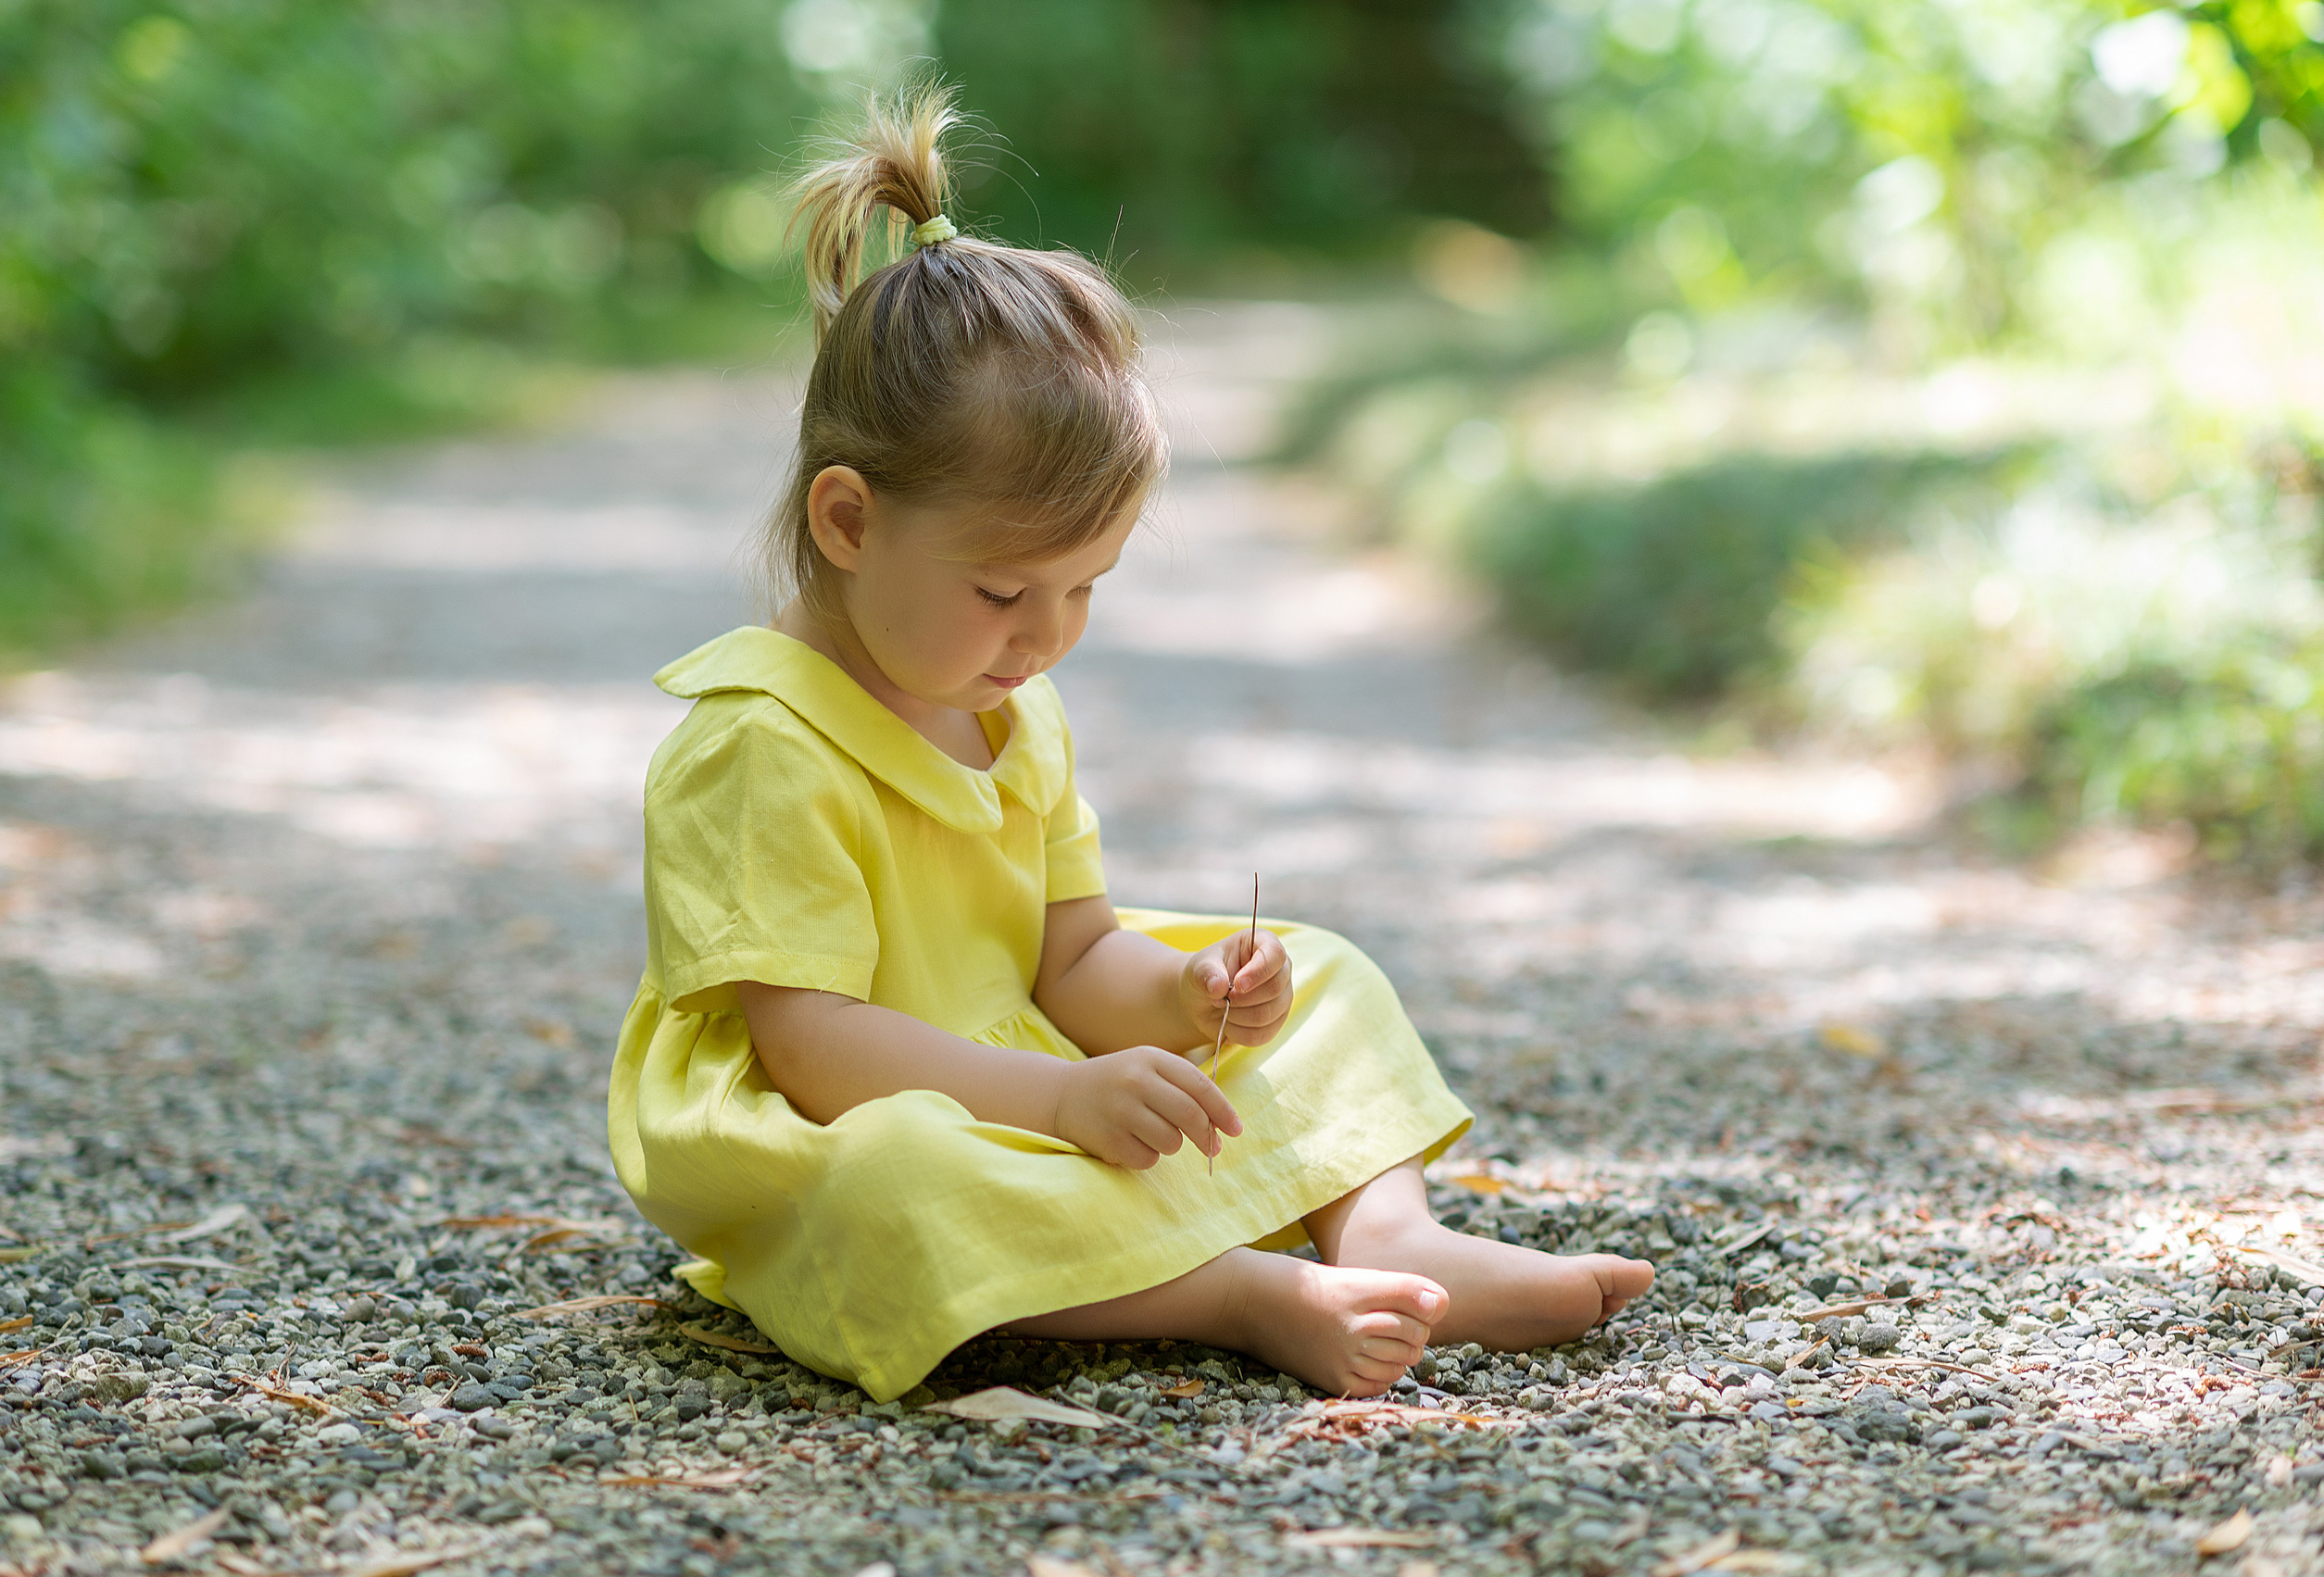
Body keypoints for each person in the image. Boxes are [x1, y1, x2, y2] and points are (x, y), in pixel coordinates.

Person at [607, 84, 1652, 1405]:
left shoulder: (1002, 699)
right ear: (848, 522)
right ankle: (1238, 1290)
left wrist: (1182, 1001)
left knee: (1323, 974)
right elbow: (814, 1047)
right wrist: (1058, 1105)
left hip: (1039, 1069)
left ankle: (1389, 1235)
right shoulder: (761, 743)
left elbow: (1072, 954)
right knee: (904, 1186)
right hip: (857, 1115)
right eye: (1005, 592)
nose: (1047, 637)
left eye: (1084, 588)